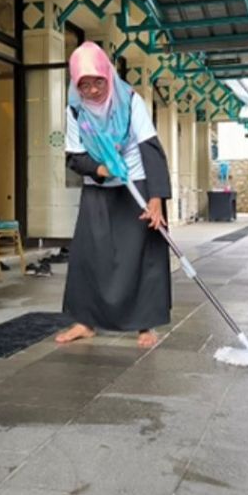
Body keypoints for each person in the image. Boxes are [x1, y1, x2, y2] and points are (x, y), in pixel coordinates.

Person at [56, 42, 172, 349]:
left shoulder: (130, 100)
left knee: (142, 253)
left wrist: (156, 198)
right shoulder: (75, 109)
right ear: (75, 84)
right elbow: (74, 156)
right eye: (84, 84)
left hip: (136, 183)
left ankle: (145, 324)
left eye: (98, 81)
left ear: (108, 75)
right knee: (89, 255)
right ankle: (85, 322)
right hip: (99, 186)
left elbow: (150, 148)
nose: (93, 90)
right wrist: (101, 169)